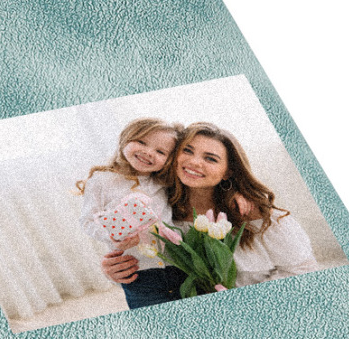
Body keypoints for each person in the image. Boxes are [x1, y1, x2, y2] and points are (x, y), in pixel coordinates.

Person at [154, 122, 319, 284]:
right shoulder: (162, 207)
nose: (194, 162)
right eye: (188, 151)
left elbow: (304, 271)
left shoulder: (256, 215)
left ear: (228, 172)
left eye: (210, 159)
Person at [75, 118, 186, 309]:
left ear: (169, 160)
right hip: (138, 271)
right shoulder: (102, 180)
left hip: (178, 266)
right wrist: (112, 236)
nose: (148, 152)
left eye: (160, 152)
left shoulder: (164, 183)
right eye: (142, 142)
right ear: (125, 139)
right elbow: (87, 221)